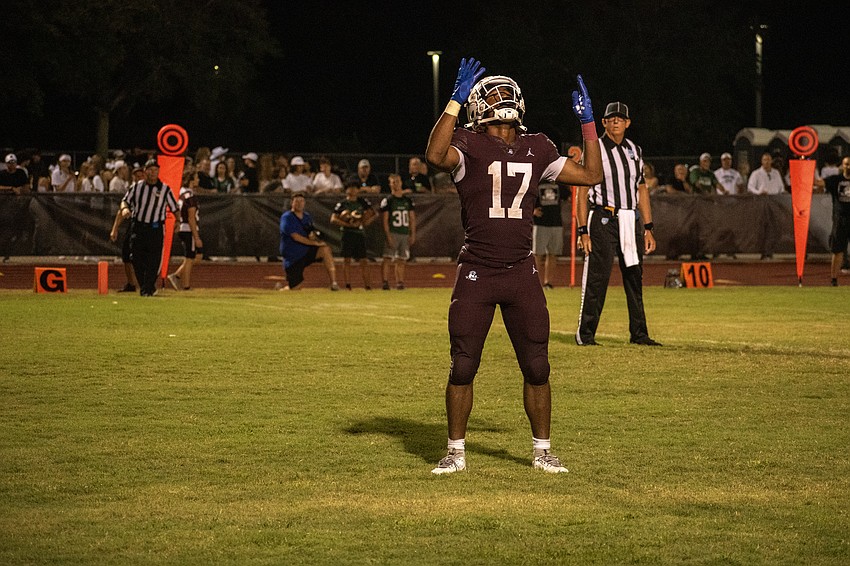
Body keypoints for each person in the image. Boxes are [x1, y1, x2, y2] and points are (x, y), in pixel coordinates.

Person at [425, 57, 603, 475]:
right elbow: (434, 154)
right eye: (492, 92)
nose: (500, 98)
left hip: (521, 271)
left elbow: (592, 174)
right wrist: (451, 102)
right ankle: (455, 450)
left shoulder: (538, 146)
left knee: (538, 366)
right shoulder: (466, 143)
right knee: (464, 362)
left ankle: (543, 451)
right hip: (477, 271)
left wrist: (589, 125)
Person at [575, 101, 661, 348]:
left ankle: (639, 333)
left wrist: (648, 226)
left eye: (620, 119)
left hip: (629, 219)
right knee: (597, 278)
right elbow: (582, 191)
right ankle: (586, 334)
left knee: (635, 278)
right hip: (603, 218)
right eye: (611, 118)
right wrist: (583, 230)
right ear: (603, 122)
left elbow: (641, 188)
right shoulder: (596, 148)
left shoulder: (635, 150)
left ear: (628, 123)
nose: (615, 122)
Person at [116, 159, 180, 296]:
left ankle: (146, 289)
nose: (153, 172)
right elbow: (125, 201)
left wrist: (178, 221)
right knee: (136, 258)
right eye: (150, 169)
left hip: (156, 228)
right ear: (145, 171)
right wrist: (125, 209)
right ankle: (147, 286)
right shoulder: (137, 187)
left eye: (155, 170)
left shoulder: (165, 189)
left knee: (154, 259)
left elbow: (175, 208)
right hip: (138, 226)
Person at [279, 193, 339, 291]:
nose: (299, 203)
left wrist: (315, 237)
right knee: (295, 288)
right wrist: (315, 243)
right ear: (292, 203)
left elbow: (310, 233)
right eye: (296, 201)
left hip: (305, 252)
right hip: (293, 256)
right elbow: (295, 237)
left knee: (325, 250)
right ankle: (283, 289)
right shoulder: (287, 217)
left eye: (301, 201)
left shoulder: (307, 216)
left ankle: (334, 283)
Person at [331, 178, 377, 289]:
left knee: (364, 260)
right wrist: (347, 224)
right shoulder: (342, 204)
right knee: (347, 259)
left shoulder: (363, 202)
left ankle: (368, 285)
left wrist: (363, 222)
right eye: (350, 188)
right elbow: (333, 219)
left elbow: (373, 214)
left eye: (355, 188)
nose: (352, 190)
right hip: (347, 233)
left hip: (359, 233)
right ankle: (348, 285)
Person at [167, 171, 203, 291]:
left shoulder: (181, 193)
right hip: (188, 228)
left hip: (182, 227)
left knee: (197, 256)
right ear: (191, 180)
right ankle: (186, 285)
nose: (198, 180)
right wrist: (196, 236)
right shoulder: (190, 196)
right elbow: (191, 218)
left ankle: (177, 275)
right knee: (190, 257)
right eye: (196, 178)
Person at [379, 173, 416, 290]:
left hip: (404, 232)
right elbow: (385, 220)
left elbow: (412, 218)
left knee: (401, 259)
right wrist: (388, 235)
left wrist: (412, 233)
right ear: (390, 184)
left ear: (401, 182)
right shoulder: (388, 200)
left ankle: (400, 282)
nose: (396, 184)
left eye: (397, 181)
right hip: (394, 232)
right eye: (393, 182)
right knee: (388, 258)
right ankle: (385, 282)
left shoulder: (407, 200)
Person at [533, 180, 569, 289]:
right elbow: (526, 198)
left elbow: (568, 196)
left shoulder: (558, 182)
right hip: (540, 223)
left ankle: (548, 282)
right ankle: (536, 282)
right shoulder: (537, 181)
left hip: (556, 223)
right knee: (538, 254)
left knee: (553, 253)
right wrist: (532, 210)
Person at [824, 156, 850, 286]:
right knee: (837, 249)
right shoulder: (835, 180)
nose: (849, 167)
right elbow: (819, 183)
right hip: (840, 219)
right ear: (842, 166)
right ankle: (834, 279)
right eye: (847, 164)